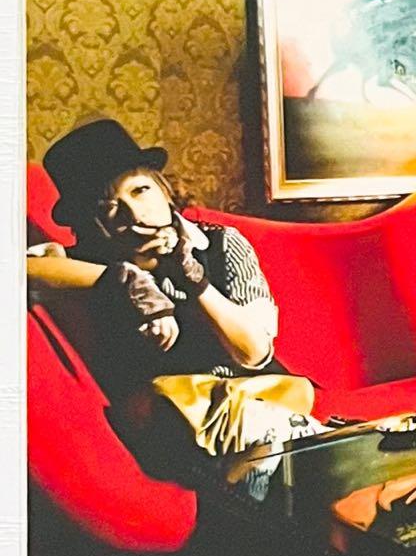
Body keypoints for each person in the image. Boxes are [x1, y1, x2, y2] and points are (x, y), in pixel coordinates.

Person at [27, 119, 322, 495]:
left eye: (140, 190)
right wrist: (124, 279)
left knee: (304, 452)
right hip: (171, 424)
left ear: (163, 189)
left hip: (254, 400)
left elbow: (254, 352)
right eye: (110, 208)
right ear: (91, 222)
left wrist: (195, 282)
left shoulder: (220, 245)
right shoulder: (81, 263)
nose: (134, 214)